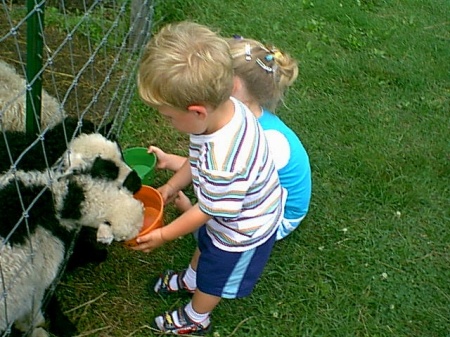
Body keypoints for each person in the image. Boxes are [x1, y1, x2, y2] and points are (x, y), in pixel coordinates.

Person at [133, 21, 283, 335]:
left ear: (198, 111)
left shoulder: (223, 159)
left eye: (170, 117)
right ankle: (190, 279)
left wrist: (164, 235)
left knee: (215, 276)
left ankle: (196, 316)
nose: (170, 123)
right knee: (205, 244)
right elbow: (197, 160)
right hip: (222, 218)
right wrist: (173, 185)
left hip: (242, 234)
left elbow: (208, 210)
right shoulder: (228, 113)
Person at [149, 35, 312, 240]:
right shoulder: (239, 117)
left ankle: (199, 230)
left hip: (275, 218)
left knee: (219, 234)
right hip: (252, 187)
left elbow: (227, 181)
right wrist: (171, 164)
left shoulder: (266, 139)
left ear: (232, 85)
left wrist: (186, 215)